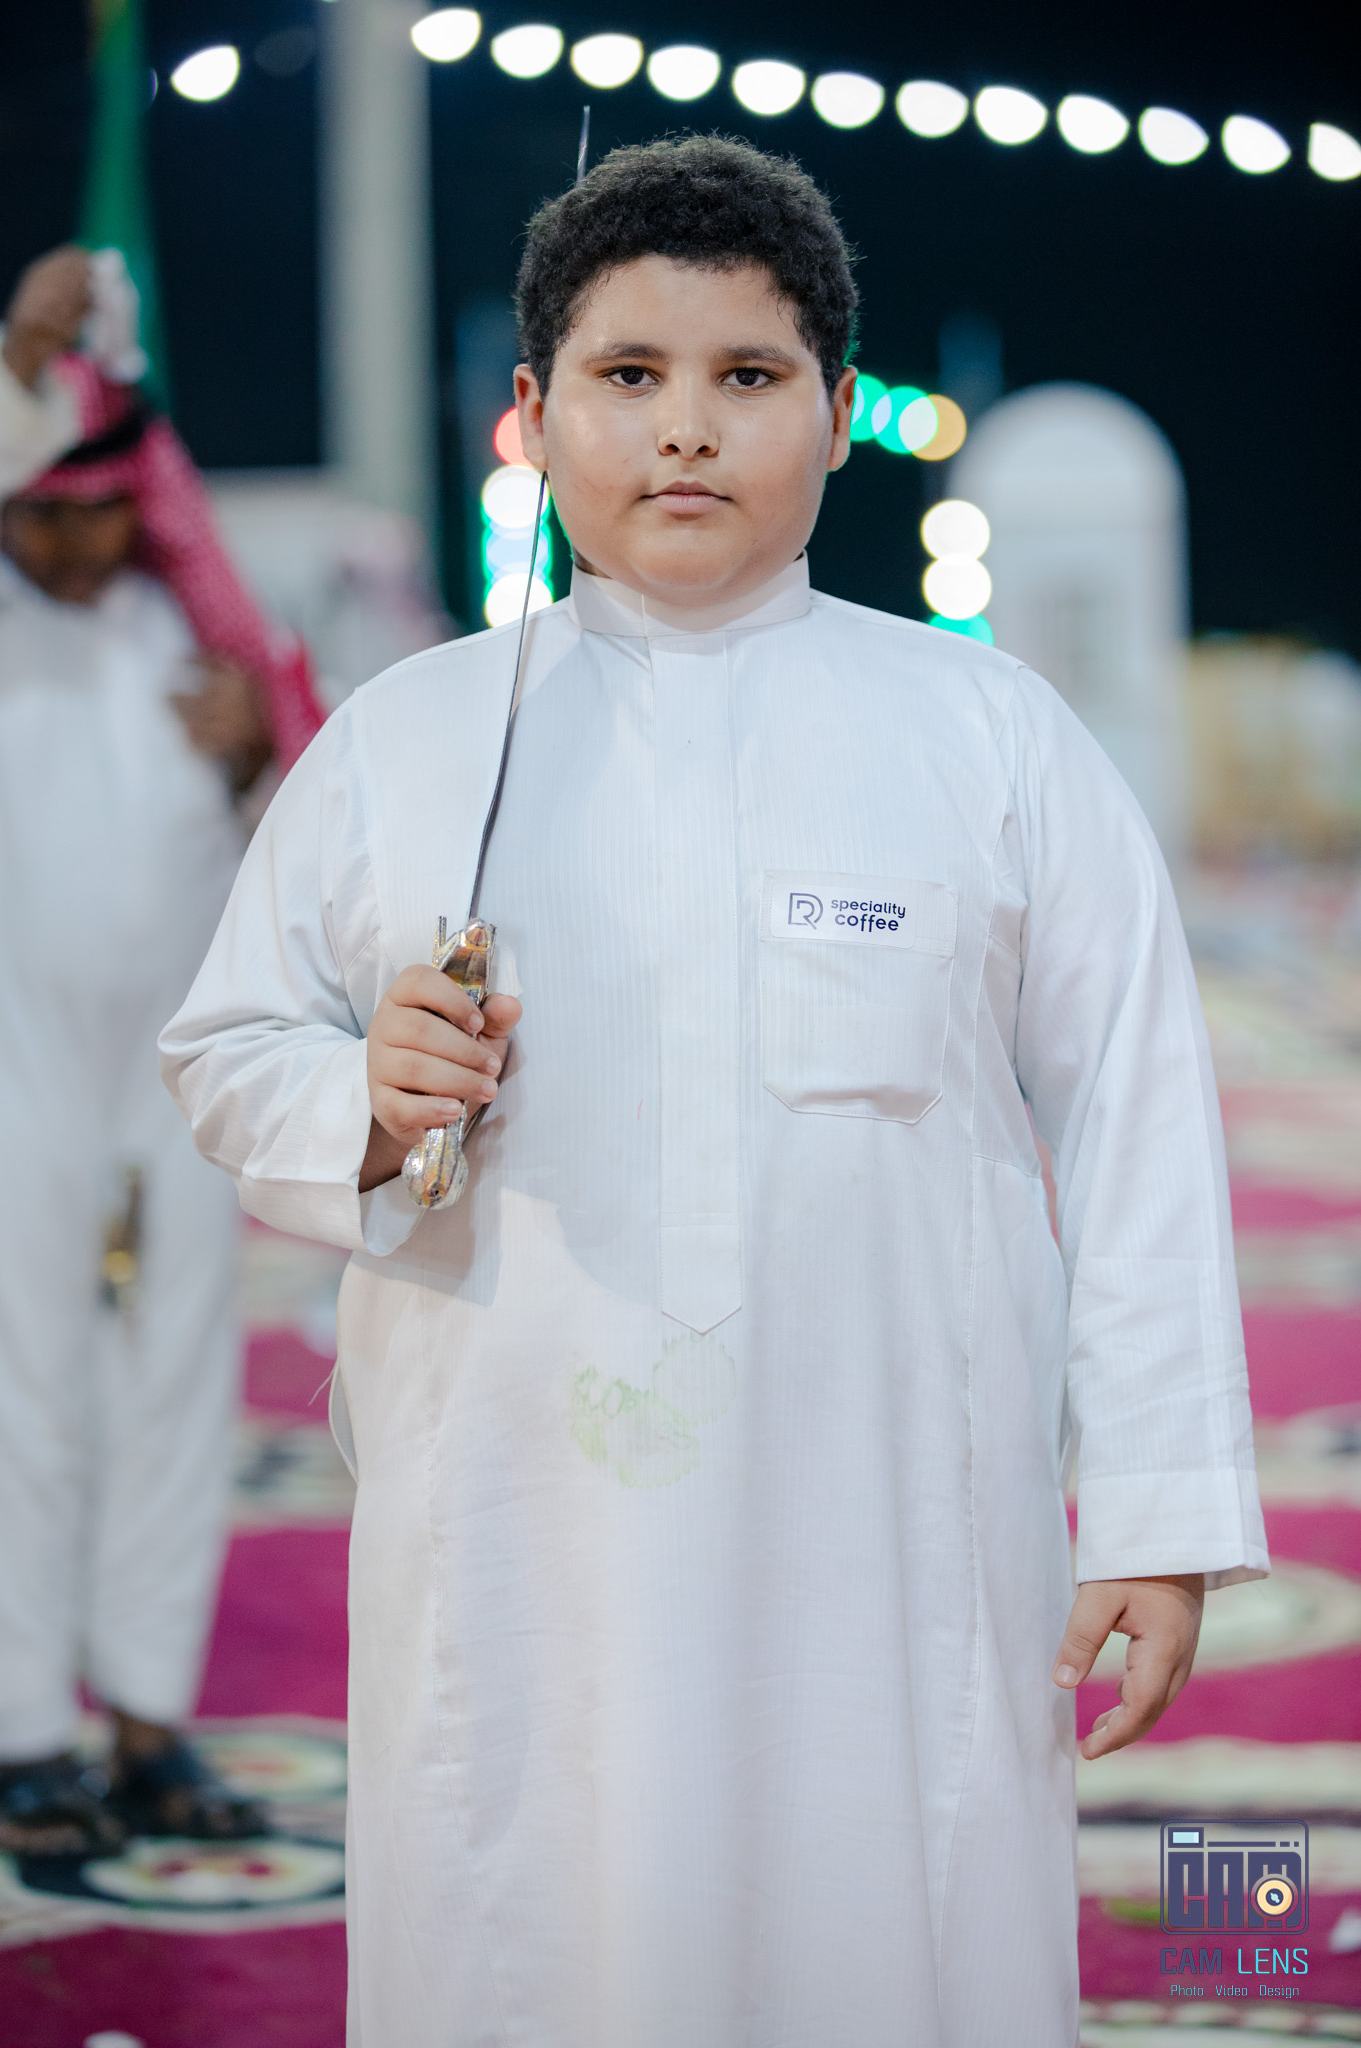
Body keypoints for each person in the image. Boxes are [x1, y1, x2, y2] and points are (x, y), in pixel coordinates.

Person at [161, 139, 1267, 2045]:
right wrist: (364, 1096)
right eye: (628, 375)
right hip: (517, 1543)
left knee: (891, 1938)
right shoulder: (411, 739)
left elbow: (1138, 1126)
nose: (685, 429)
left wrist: (1155, 1516)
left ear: (838, 414)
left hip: (896, 1537)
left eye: (747, 376)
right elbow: (227, 1053)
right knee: (533, 1938)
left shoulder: (984, 732)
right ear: (533, 417)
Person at [0, 246, 325, 1855]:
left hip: (175, 1081)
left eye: (98, 510)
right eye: (39, 511)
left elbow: (323, 867)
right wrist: (20, 362)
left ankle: (145, 1717)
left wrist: (258, 754)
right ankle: (20, 1733)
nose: (69, 541)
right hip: (15, 1072)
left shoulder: (202, 652)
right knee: (22, 1388)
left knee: (176, 1381)